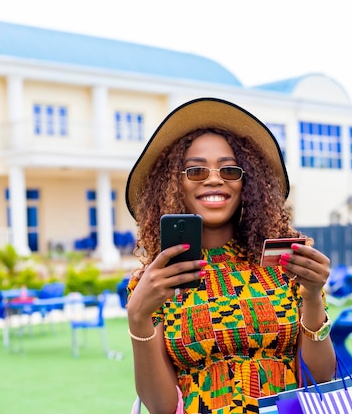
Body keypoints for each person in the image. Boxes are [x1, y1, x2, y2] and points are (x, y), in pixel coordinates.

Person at [124, 98, 335, 413]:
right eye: (195, 170)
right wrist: (138, 318)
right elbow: (162, 407)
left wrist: (314, 296)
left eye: (229, 169)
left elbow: (320, 379)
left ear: (247, 182)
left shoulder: (283, 265)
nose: (213, 178)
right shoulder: (156, 282)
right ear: (173, 184)